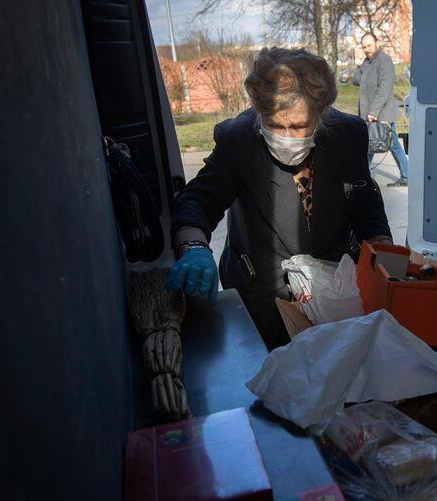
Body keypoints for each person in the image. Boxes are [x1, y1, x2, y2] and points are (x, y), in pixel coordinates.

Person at [167, 47, 393, 350]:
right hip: (263, 290)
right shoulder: (238, 141)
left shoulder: (348, 136)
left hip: (333, 287)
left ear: (321, 113)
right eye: (274, 125)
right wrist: (194, 247)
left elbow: (365, 199)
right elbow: (198, 200)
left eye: (299, 126)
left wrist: (383, 251)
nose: (286, 136)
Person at [351, 33, 409, 187]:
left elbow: (384, 89)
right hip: (369, 113)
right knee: (371, 145)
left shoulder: (384, 61)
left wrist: (373, 112)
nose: (367, 49)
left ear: (376, 43)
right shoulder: (367, 62)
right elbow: (356, 80)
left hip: (381, 113)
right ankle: (364, 176)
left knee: (392, 145)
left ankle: (405, 176)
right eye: (364, 47)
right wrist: (360, 66)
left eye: (369, 45)